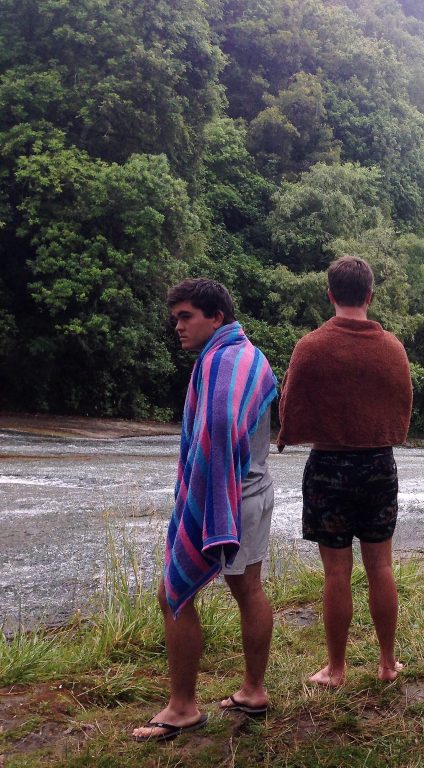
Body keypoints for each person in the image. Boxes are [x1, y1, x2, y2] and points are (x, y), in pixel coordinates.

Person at [133, 278, 278, 742]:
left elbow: (218, 424)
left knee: (173, 591)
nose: (177, 326)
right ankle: (253, 691)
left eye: (186, 316)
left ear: (216, 316)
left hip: (230, 497)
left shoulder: (221, 362)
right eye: (175, 317)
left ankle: (182, 708)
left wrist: (207, 508)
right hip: (254, 490)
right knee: (248, 589)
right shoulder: (247, 356)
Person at [277, 255, 413, 686]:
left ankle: (336, 670)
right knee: (381, 567)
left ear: (331, 294)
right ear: (369, 295)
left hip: (328, 467)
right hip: (378, 464)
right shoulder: (392, 348)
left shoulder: (311, 346)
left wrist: (290, 434)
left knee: (336, 572)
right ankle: (388, 664)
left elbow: (289, 404)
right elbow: (403, 404)